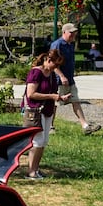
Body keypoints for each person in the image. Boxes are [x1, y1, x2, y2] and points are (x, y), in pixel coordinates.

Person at [21, 48, 68, 179]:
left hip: (47, 111)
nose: (57, 68)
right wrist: (51, 96)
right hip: (35, 110)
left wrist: (59, 97)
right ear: (48, 60)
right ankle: (31, 171)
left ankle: (36, 169)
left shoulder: (52, 75)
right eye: (56, 64)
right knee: (37, 141)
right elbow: (31, 94)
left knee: (44, 141)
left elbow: (52, 93)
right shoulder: (36, 72)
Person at [49, 23, 101, 134]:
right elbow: (53, 63)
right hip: (59, 80)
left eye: (74, 33)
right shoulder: (57, 44)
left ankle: (85, 126)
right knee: (55, 103)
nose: (73, 35)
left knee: (76, 101)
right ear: (64, 32)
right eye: (71, 33)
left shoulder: (70, 45)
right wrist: (62, 76)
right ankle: (50, 126)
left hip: (70, 79)